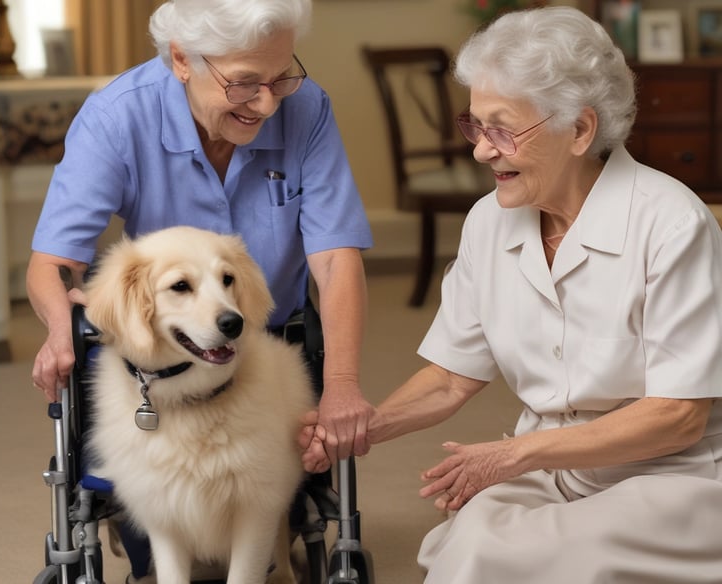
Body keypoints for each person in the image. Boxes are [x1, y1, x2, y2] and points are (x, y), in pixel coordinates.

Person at [301, 6, 722, 582]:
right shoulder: (489, 222)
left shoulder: (671, 223)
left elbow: (677, 417)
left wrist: (513, 456)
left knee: (535, 559)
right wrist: (358, 429)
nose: (480, 151)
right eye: (475, 124)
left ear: (579, 129)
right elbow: (452, 377)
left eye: (502, 128)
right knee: (468, 548)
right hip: (549, 472)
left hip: (667, 476)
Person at [27, 0, 373, 581]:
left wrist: (341, 386)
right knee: (152, 536)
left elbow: (336, 260)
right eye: (243, 84)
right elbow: (54, 264)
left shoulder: (307, 109)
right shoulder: (117, 116)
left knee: (258, 503)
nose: (266, 102)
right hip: (160, 353)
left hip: (268, 343)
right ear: (183, 60)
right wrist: (60, 332)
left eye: (281, 75)